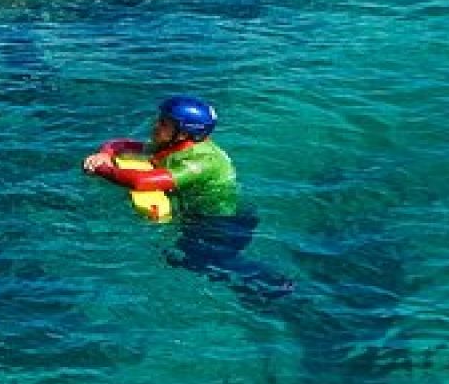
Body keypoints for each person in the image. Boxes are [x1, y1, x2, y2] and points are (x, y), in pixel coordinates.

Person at [82, 96, 293, 297]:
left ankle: (276, 287)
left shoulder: (203, 161)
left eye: (164, 123)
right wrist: (104, 154)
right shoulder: (170, 145)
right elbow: (119, 144)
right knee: (188, 259)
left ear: (183, 133)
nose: (155, 125)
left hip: (222, 224)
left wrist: (102, 169)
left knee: (206, 263)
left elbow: (142, 182)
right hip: (203, 216)